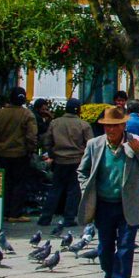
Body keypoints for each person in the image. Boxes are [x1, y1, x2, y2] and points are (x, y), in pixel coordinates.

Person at [77, 107, 139, 278]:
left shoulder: (135, 143)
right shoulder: (94, 145)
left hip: (128, 204)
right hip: (103, 204)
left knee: (125, 247)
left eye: (115, 126)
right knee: (105, 246)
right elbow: (82, 171)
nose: (111, 131)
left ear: (123, 126)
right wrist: (86, 190)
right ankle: (109, 276)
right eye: (107, 127)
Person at [39, 97, 93, 227]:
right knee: (73, 191)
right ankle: (69, 218)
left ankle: (45, 218)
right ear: (78, 110)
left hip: (59, 161)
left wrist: (52, 153)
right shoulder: (83, 124)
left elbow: (47, 141)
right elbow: (91, 144)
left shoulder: (55, 123)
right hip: (76, 161)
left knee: (55, 189)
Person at [0, 86, 38, 222]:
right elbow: (31, 136)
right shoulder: (27, 114)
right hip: (20, 154)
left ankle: (4, 211)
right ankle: (15, 214)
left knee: (4, 183)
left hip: (2, 153)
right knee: (19, 184)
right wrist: (30, 150)